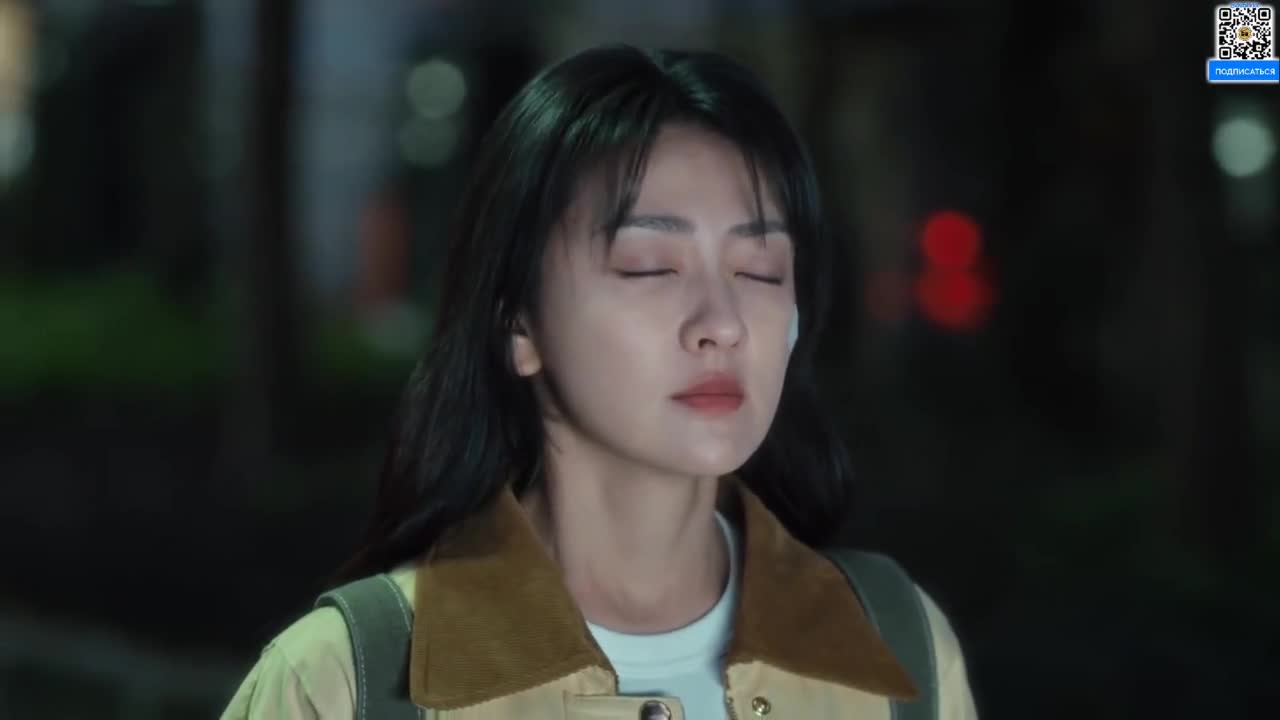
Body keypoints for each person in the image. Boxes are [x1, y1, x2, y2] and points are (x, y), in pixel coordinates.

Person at [222, 44, 978, 720]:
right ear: (519, 325)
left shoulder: (897, 650)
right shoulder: (344, 681)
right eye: (649, 267)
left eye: (759, 271)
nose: (722, 323)